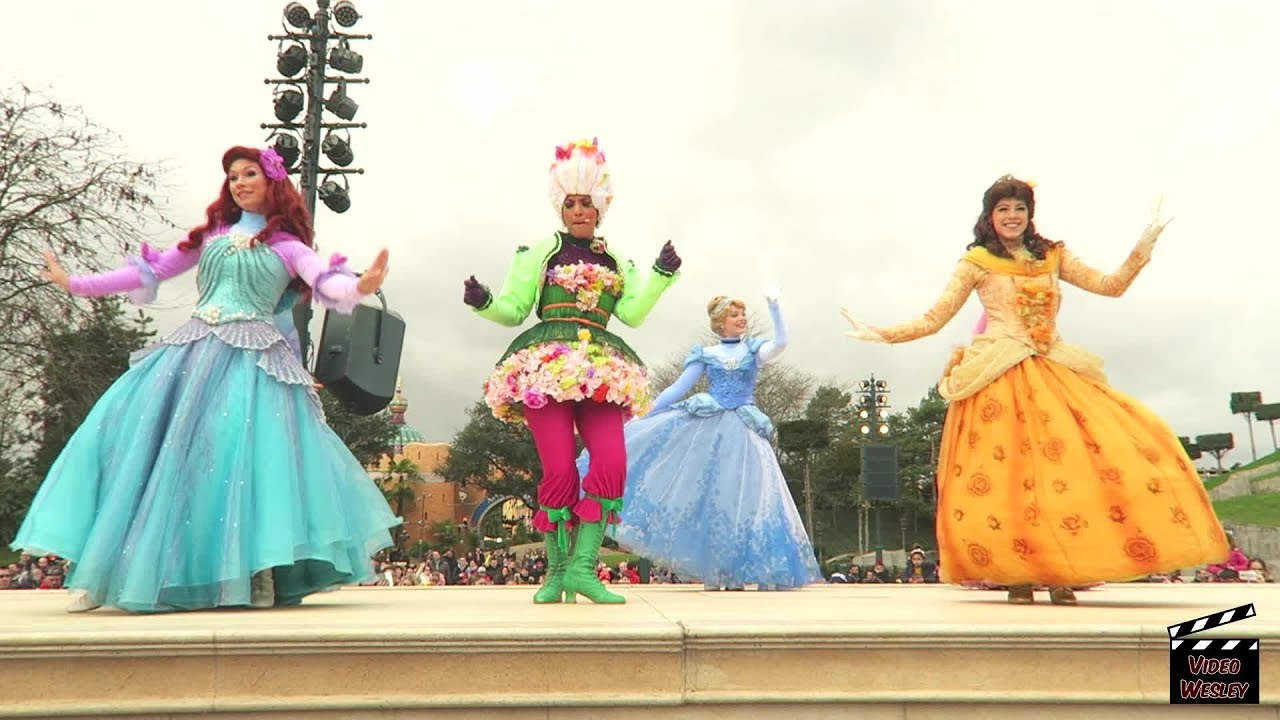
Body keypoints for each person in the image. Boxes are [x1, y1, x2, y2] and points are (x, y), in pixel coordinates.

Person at [12, 145, 401, 613]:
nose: (239, 183)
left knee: (251, 461)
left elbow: (324, 282)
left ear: (272, 182)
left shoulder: (290, 248)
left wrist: (359, 286)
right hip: (193, 354)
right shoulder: (212, 237)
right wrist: (75, 283)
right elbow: (153, 271)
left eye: (249, 174)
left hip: (255, 363)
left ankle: (258, 570)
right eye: (233, 176)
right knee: (134, 443)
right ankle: (107, 572)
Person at [840, 174, 1228, 605]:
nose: (1012, 216)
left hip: (1052, 370)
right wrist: (882, 334)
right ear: (990, 216)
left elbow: (1110, 286)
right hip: (997, 376)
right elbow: (934, 319)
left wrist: (1145, 243)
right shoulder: (977, 262)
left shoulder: (1053, 256)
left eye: (1019, 208)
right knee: (1008, 482)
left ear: (1030, 214)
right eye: (1003, 209)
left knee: (1067, 474)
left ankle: (1061, 571)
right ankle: (1018, 575)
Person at [462, 138, 681, 604]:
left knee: (612, 461)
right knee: (560, 468)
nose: (579, 211)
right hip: (548, 365)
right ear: (560, 207)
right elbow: (514, 308)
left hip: (602, 367)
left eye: (586, 203)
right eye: (570, 203)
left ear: (600, 206)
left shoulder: (615, 259)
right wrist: (484, 302)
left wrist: (661, 276)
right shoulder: (540, 252)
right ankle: (557, 571)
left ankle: (583, 568)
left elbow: (633, 313)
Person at [583, 293, 822, 591]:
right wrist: (644, 414)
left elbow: (781, 343)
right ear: (721, 322)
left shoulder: (752, 350)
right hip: (711, 430)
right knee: (713, 499)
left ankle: (738, 571)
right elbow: (677, 389)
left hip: (745, 431)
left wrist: (775, 308)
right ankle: (716, 572)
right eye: (735, 315)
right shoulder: (706, 354)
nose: (742, 319)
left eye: (743, 314)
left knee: (748, 500)